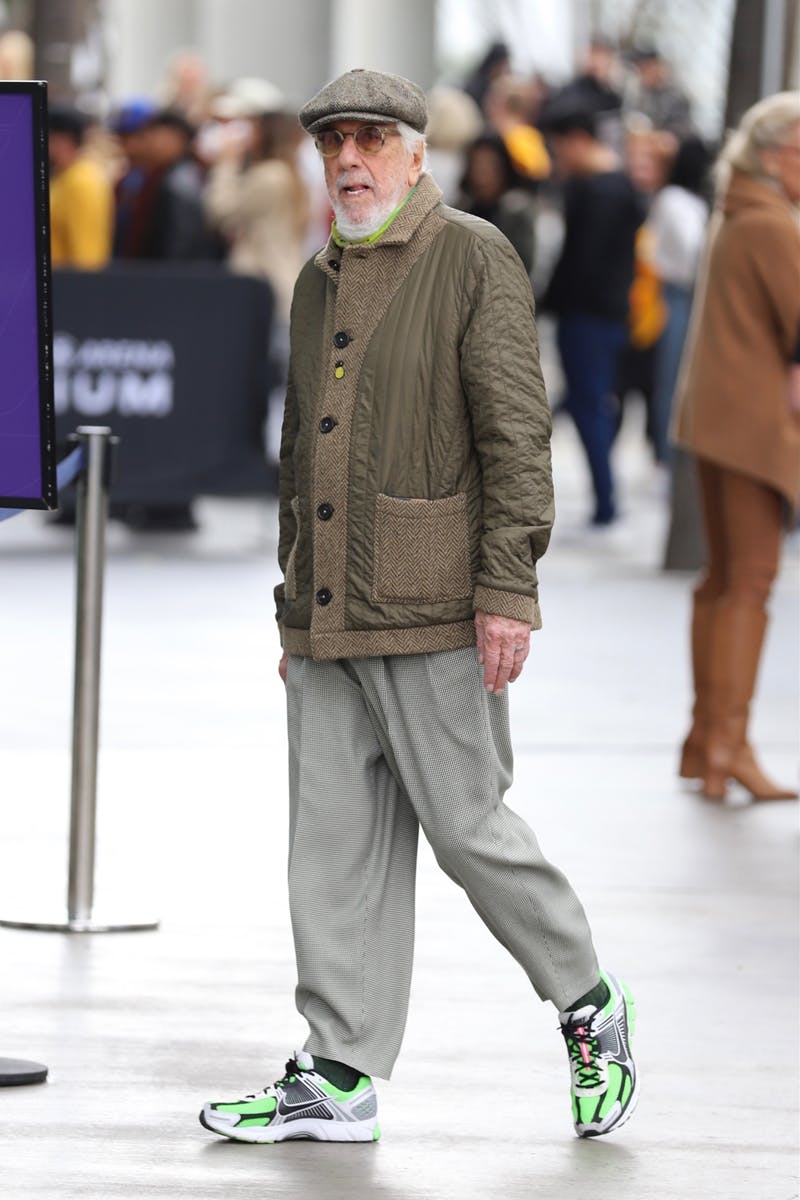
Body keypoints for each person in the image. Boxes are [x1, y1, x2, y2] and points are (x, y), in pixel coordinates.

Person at [199, 68, 638, 1146]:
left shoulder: (472, 256)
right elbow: (303, 449)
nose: (349, 160)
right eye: (332, 143)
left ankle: (588, 1002)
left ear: (412, 152)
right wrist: (290, 608)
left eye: (371, 141)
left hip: (439, 604)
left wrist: (507, 589)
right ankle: (338, 1074)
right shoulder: (314, 278)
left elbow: (514, 435)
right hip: (330, 613)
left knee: (467, 827)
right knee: (332, 844)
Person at [674, 92, 800, 802]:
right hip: (755, 429)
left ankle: (703, 742)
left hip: (715, 421)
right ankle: (730, 746)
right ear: (778, 152)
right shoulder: (773, 223)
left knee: (721, 580)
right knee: (750, 583)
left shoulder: (735, 210)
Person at [540, 103, 644, 525]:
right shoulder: (620, 186)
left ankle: (606, 501)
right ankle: (606, 498)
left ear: (578, 141)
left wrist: (549, 299)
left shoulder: (596, 191)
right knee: (595, 404)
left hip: (588, 317)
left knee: (588, 406)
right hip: (612, 314)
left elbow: (581, 262)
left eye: (560, 148)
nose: (558, 158)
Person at [648, 136, 711, 464]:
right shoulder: (674, 199)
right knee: (671, 380)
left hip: (687, 294)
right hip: (677, 294)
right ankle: (667, 458)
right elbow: (692, 251)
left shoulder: (689, 199)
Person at [459, 134, 536, 275]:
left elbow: (521, 265)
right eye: (477, 163)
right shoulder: (461, 208)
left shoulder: (516, 211)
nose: (482, 171)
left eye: (490, 164)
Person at [48, 105, 113, 269]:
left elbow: (87, 256)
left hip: (68, 287)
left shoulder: (82, 182)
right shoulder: (63, 176)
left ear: (62, 140)